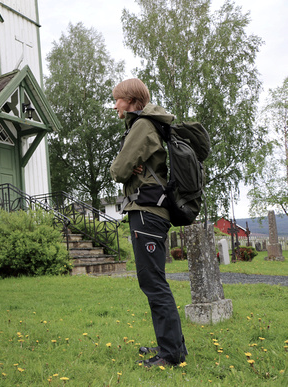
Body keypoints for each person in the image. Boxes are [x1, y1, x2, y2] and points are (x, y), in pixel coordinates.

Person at [110, 78, 187, 367]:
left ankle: (170, 355)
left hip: (146, 212)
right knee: (155, 281)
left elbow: (118, 170)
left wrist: (128, 167)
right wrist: (133, 166)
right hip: (151, 212)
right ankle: (173, 346)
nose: (115, 104)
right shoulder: (144, 125)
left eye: (118, 99)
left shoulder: (142, 126)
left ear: (131, 100)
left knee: (153, 283)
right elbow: (129, 167)